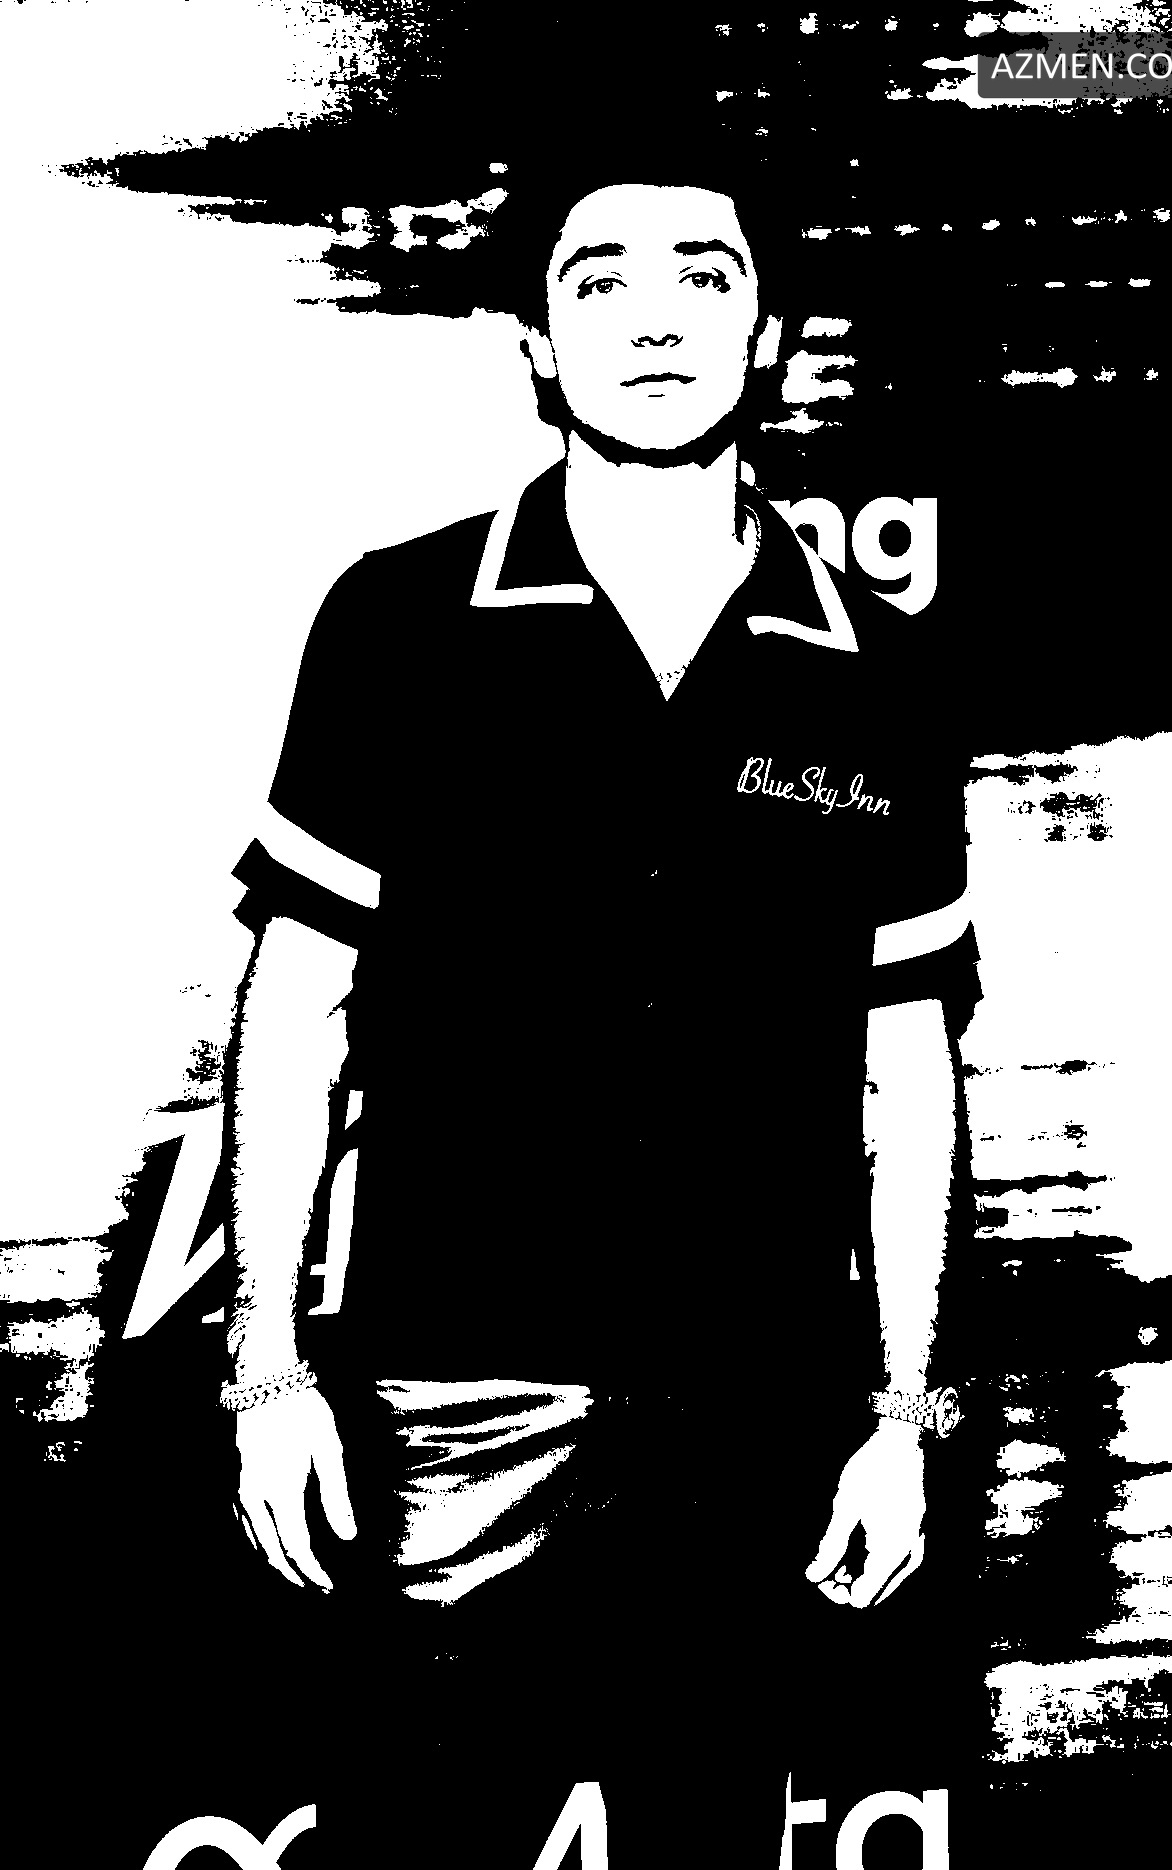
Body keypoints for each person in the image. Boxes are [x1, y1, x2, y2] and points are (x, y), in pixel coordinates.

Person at [224, 149, 982, 1864]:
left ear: (772, 337)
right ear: (534, 343)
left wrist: (901, 1417)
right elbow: (296, 1007)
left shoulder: (876, 673)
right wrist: (267, 1371)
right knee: (419, 1842)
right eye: (601, 279)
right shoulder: (400, 621)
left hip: (755, 1409)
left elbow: (909, 1069)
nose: (655, 319)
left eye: (705, 276)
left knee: (712, 1837)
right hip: (456, 1398)